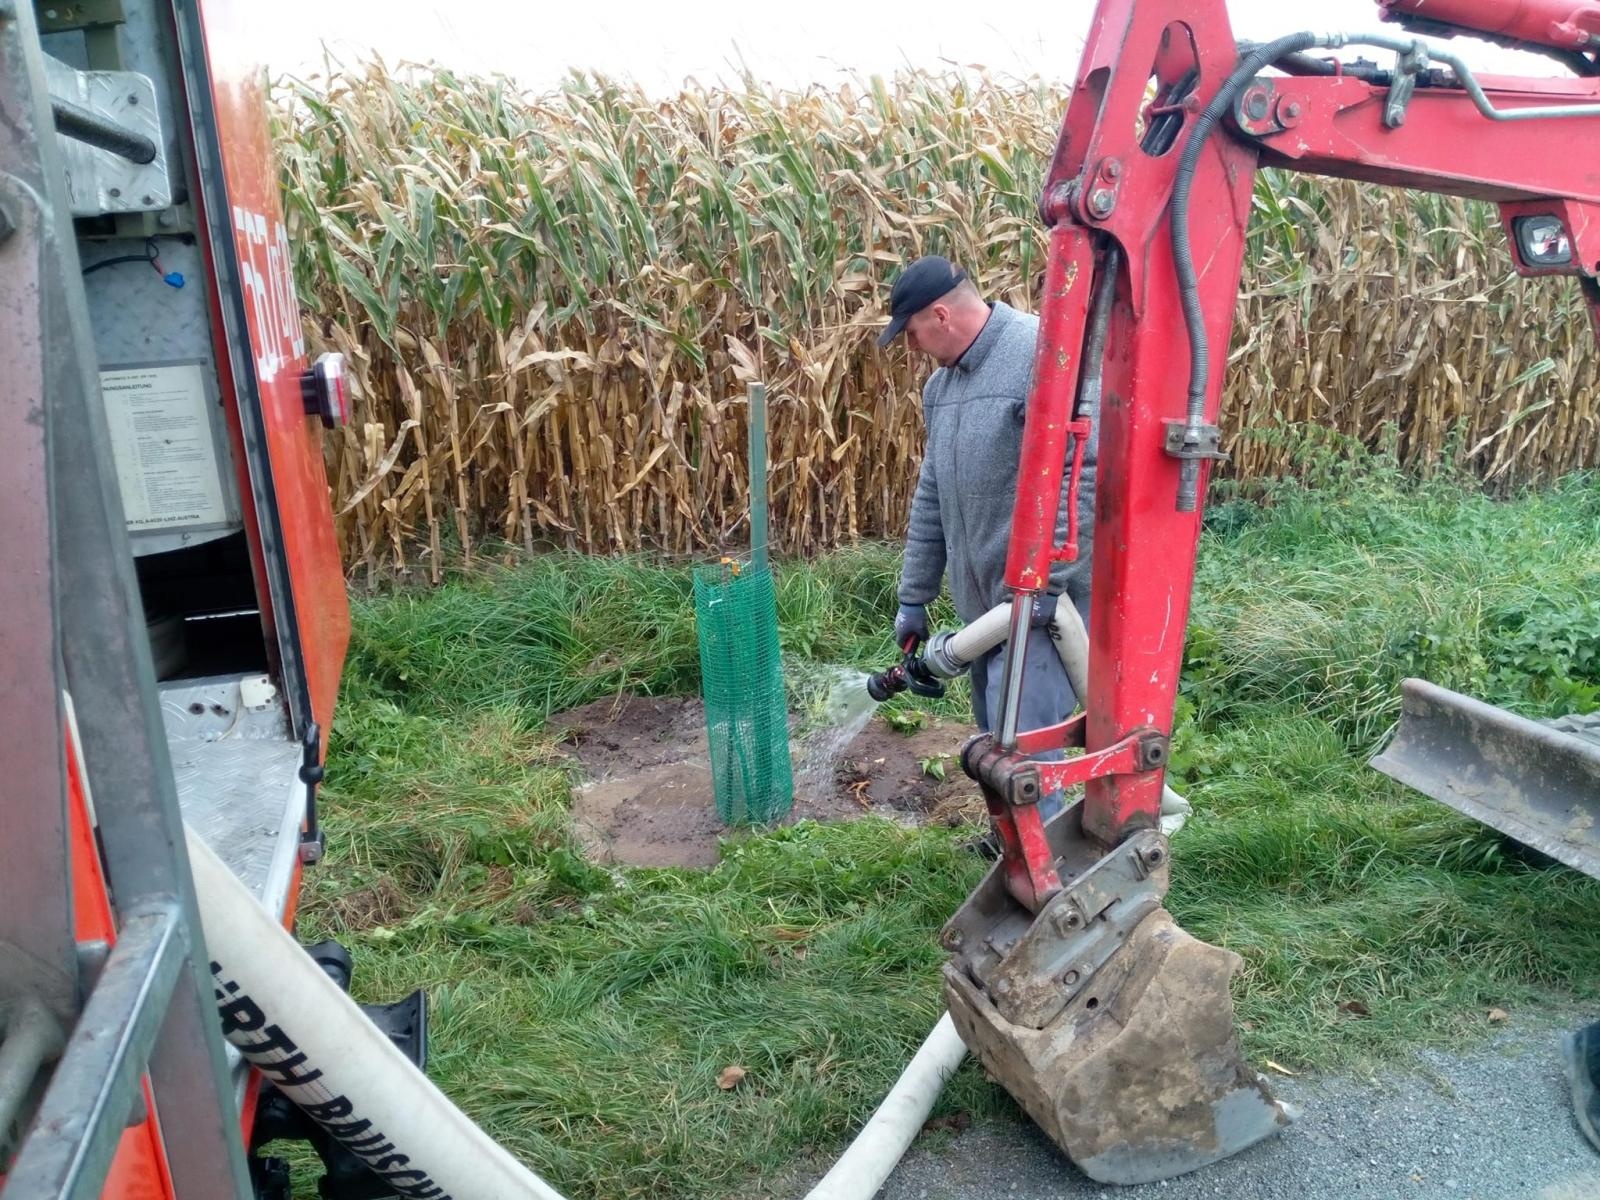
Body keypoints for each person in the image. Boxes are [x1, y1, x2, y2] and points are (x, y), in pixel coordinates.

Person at [878, 255, 1095, 825]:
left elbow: (1085, 469)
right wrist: (914, 596)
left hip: (1044, 604)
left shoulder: (1040, 355)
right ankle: (1013, 847)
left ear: (941, 315)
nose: (911, 345)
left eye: (912, 332)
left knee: (1025, 749)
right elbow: (932, 495)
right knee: (994, 741)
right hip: (985, 610)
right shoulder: (939, 388)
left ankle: (1048, 873)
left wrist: (1051, 576)